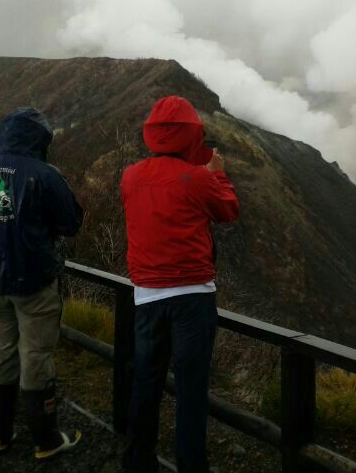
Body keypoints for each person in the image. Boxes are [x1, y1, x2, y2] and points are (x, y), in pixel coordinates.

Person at [121, 96, 240, 473]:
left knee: (145, 382)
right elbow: (228, 210)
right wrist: (217, 171)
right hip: (192, 297)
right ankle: (192, 466)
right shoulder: (198, 177)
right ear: (192, 136)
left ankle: (137, 462)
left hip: (146, 296)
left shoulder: (130, 176)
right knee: (191, 391)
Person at [0, 107, 83, 460]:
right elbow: (71, 222)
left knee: (0, 353)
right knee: (36, 355)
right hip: (32, 282)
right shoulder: (44, 174)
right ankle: (45, 440)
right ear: (39, 139)